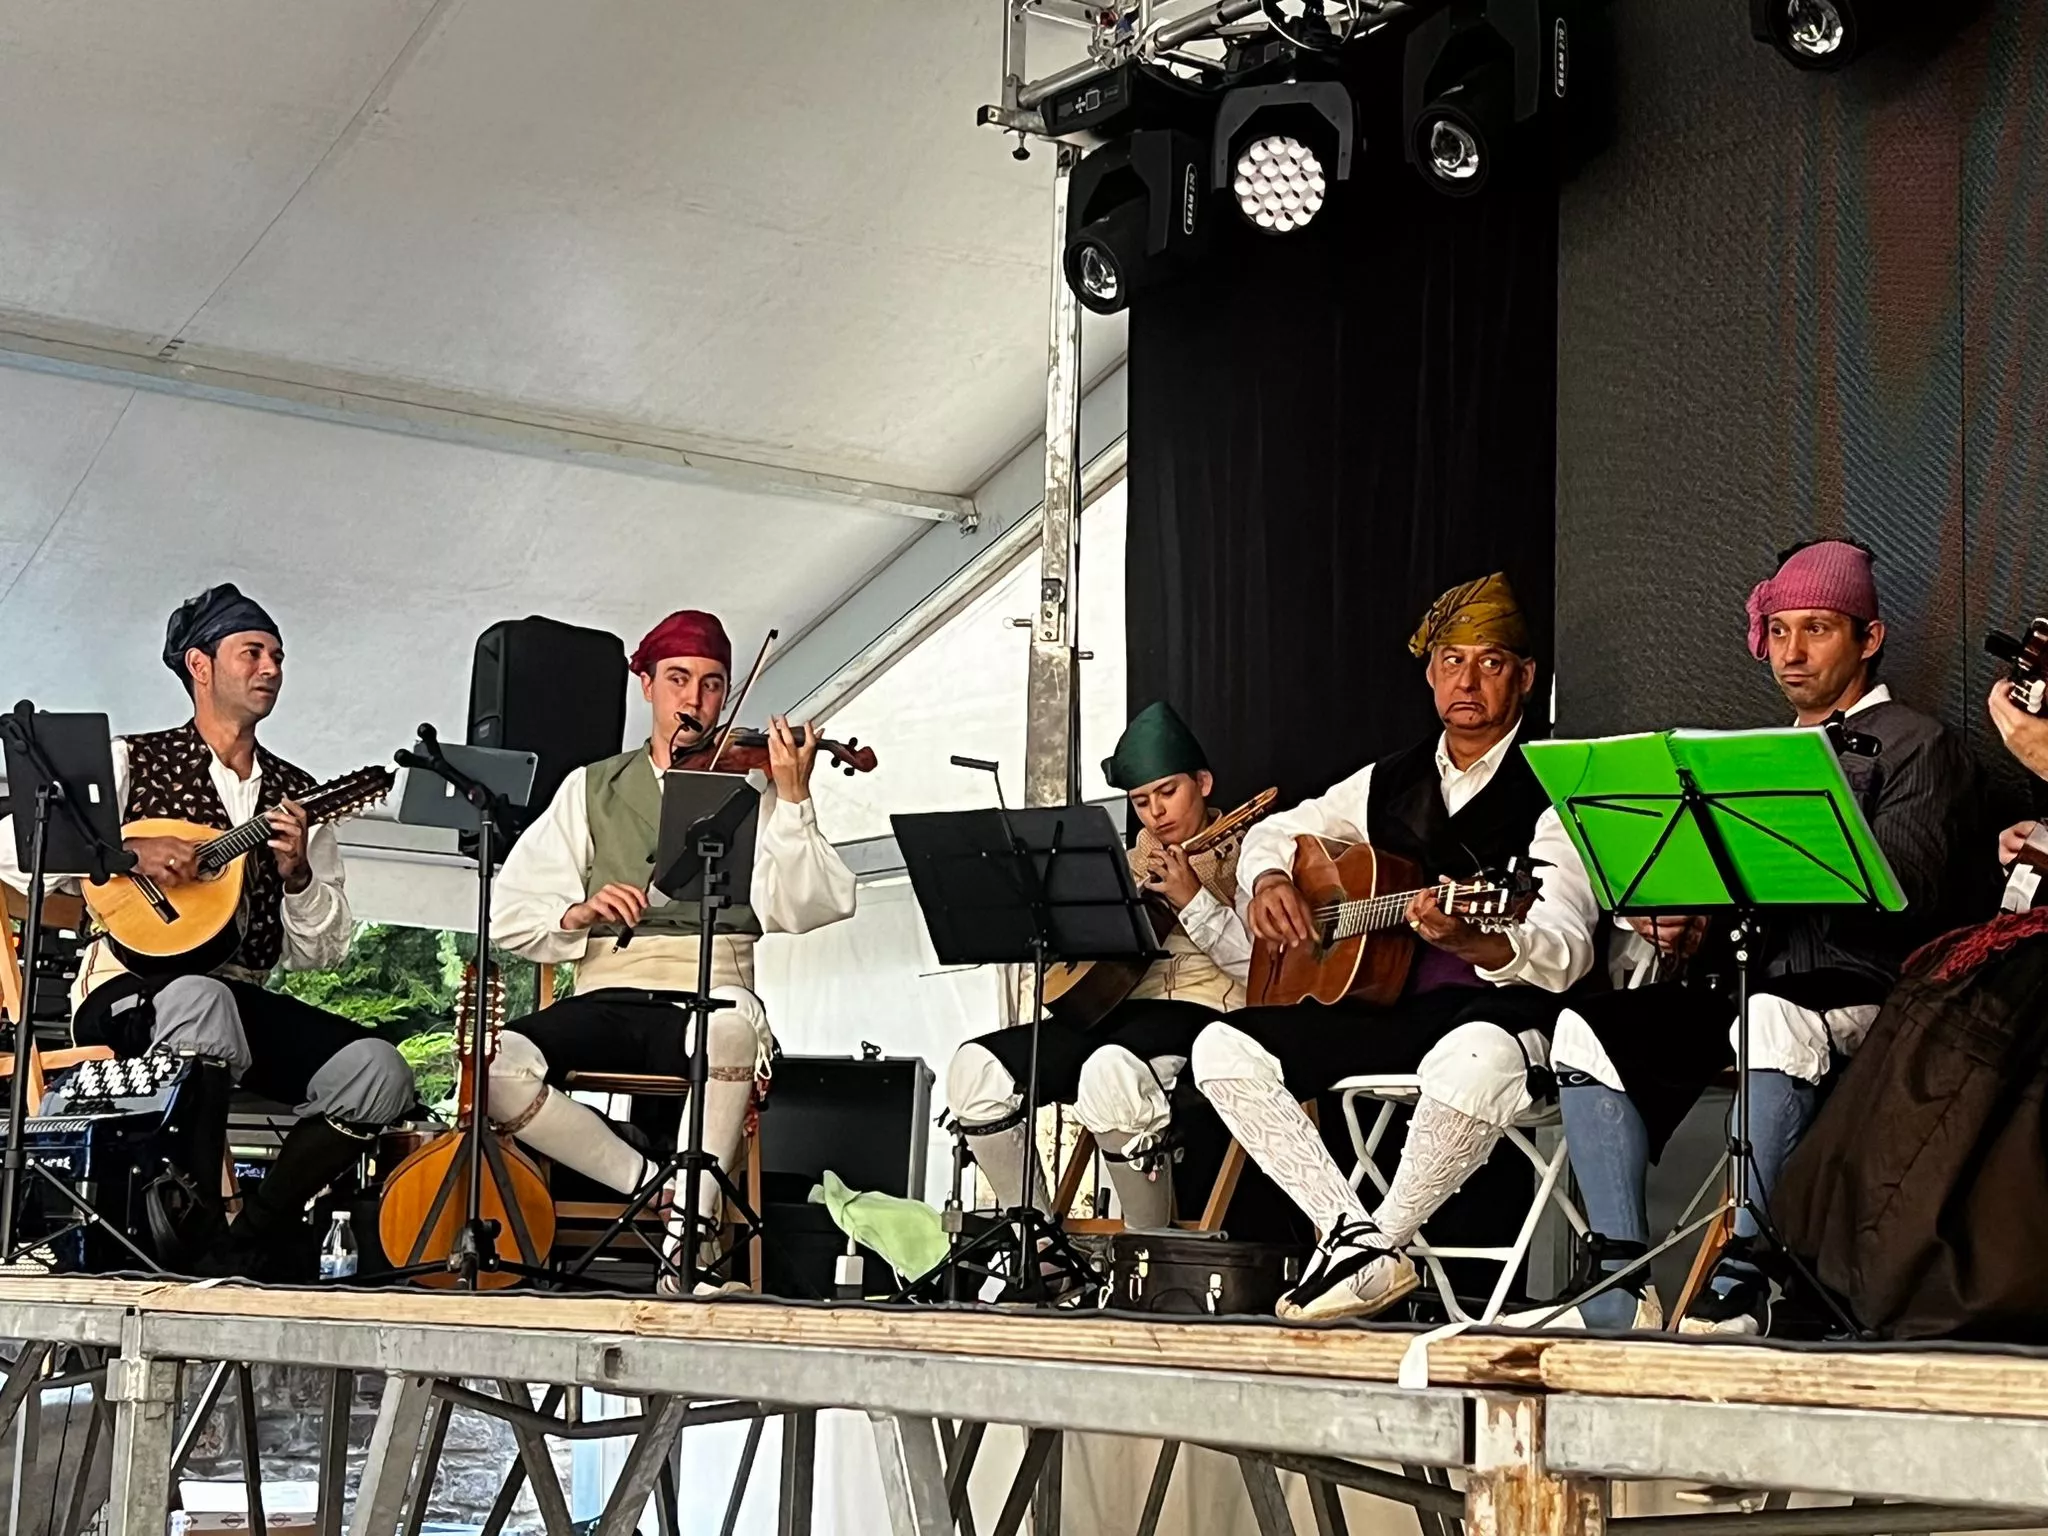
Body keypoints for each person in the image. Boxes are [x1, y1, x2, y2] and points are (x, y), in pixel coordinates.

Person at [1552, 539, 1978, 1335]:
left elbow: (1912, 894)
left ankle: (1747, 1272)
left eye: (1817, 629)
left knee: (1774, 1015)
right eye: (1779, 631)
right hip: (1746, 986)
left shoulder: (1921, 743)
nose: (1793, 651)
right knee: (1587, 1030)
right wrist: (1690, 924)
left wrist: (1794, 851)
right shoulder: (1745, 761)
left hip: (1865, 986)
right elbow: (1730, 924)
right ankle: (1619, 1281)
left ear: (1869, 639)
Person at [1187, 573, 1605, 1322]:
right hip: (1390, 1011)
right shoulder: (1391, 778)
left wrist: (1479, 937)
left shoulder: (1557, 784)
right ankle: (1352, 1237)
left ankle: (1378, 1245)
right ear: (1429, 673)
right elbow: (1274, 831)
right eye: (1451, 661)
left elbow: (1567, 948)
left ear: (1527, 677)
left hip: (1502, 1011)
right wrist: (1268, 881)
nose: (1467, 679)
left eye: (1490, 662)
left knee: (1473, 1056)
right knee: (1221, 1046)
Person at [0, 584, 416, 1277]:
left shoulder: (297, 797)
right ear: (199, 665)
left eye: (278, 656)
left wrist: (297, 876)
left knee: (379, 1070)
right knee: (200, 998)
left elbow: (325, 952)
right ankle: (181, 1233)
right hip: (127, 990)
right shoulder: (132, 760)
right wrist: (129, 854)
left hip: (237, 994)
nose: (271, 668)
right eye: (252, 651)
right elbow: (15, 848)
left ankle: (249, 1235)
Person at [489, 608, 856, 1284]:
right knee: (491, 1065)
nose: (695, 699)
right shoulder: (590, 785)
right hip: (611, 990)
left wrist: (796, 800)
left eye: (713, 684)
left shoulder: (757, 784)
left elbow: (812, 905)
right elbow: (511, 913)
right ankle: (649, 1184)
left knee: (732, 1036)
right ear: (647, 685)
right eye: (678, 678)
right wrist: (578, 911)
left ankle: (688, 1239)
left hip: (712, 988)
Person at [944, 702, 1252, 1229]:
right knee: (976, 1070)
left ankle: (1147, 1256)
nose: (1156, 812)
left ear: (1203, 782)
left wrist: (1194, 900)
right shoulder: (1121, 860)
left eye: (1168, 791)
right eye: (1140, 800)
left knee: (1110, 1071)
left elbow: (1260, 967)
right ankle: (1036, 1247)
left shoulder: (1252, 852)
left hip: (1206, 1013)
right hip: (1111, 1013)